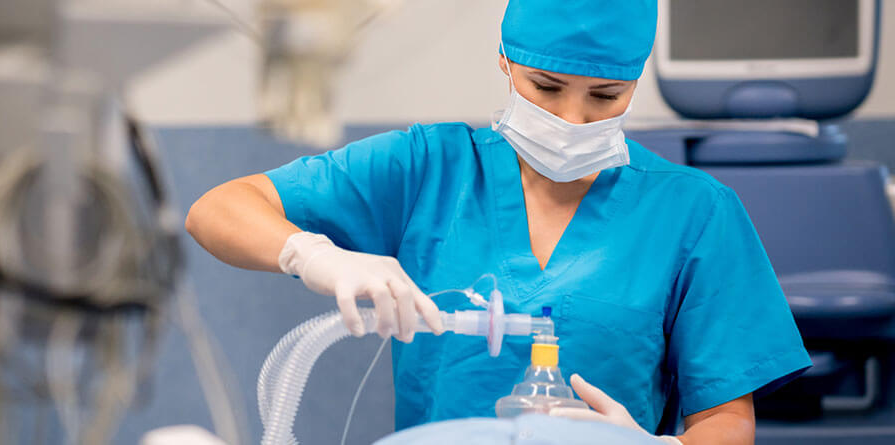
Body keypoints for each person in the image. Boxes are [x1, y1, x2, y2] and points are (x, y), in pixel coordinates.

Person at [185, 1, 811, 443]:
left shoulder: (694, 212)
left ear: (635, 80)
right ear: (507, 61)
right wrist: (316, 255)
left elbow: (727, 421)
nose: (573, 118)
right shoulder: (426, 168)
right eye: (546, 86)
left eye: (605, 96)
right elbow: (216, 211)